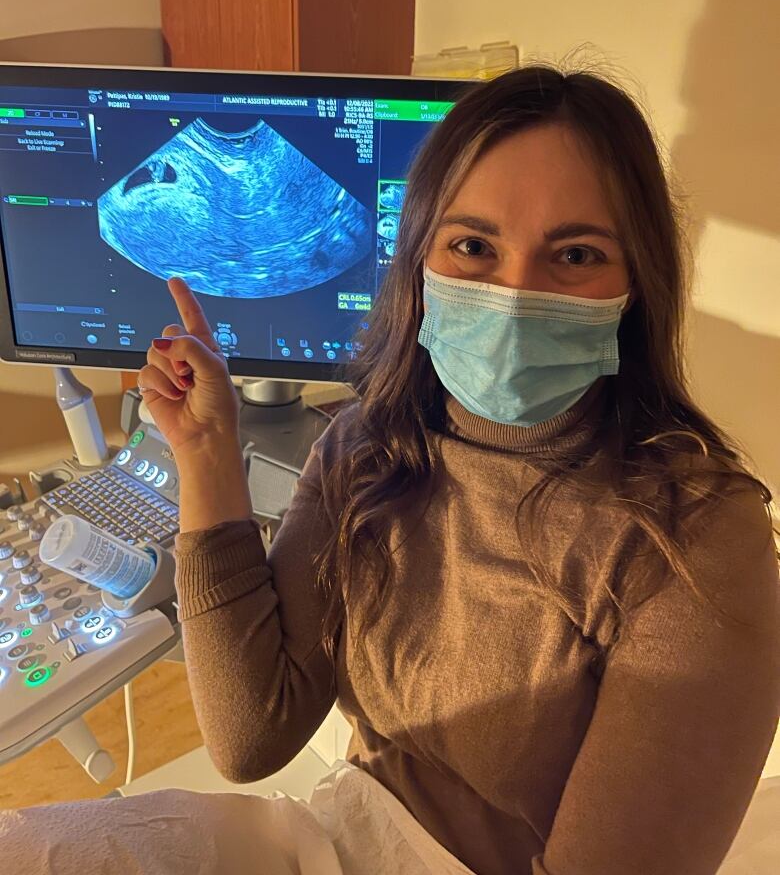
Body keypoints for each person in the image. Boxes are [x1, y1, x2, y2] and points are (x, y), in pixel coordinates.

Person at [2, 62, 778, 875]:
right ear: (418, 264)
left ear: (638, 284)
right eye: (473, 245)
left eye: (575, 254)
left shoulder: (696, 545)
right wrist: (205, 454)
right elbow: (250, 734)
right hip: (344, 836)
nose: (514, 295)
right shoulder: (370, 444)